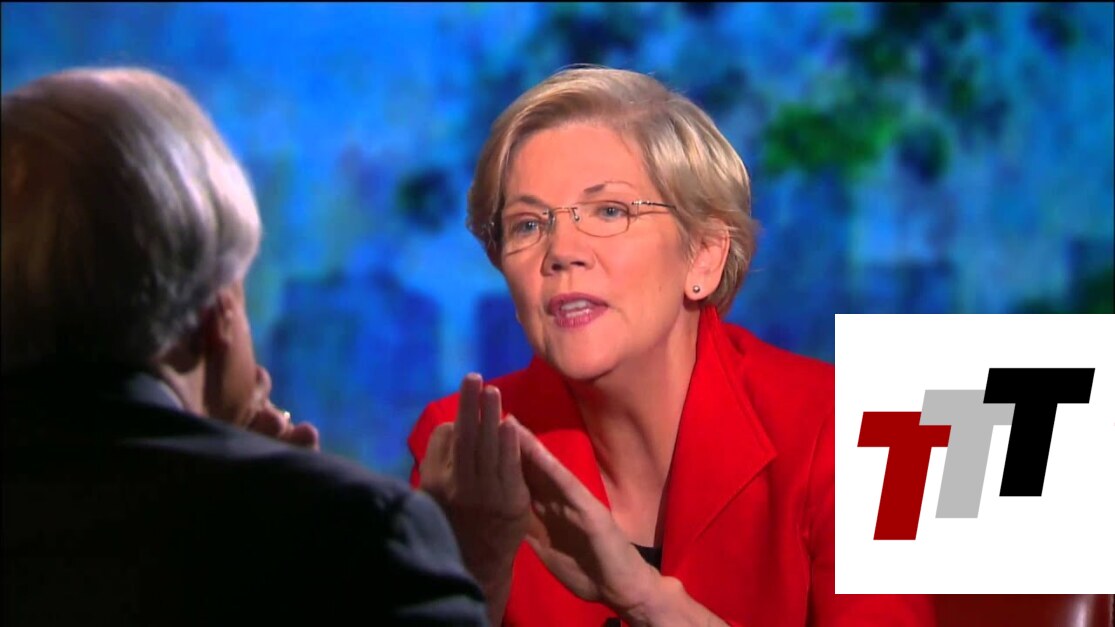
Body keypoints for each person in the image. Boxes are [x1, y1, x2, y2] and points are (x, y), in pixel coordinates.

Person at [407, 66, 936, 626]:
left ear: (704, 255)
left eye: (610, 211)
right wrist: (479, 573)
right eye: (528, 225)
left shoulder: (867, 428)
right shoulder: (465, 445)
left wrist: (647, 600)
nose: (561, 251)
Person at [1, 66, 487, 626]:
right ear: (214, 315)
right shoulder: (348, 539)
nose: (264, 379)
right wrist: (469, 563)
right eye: (243, 290)